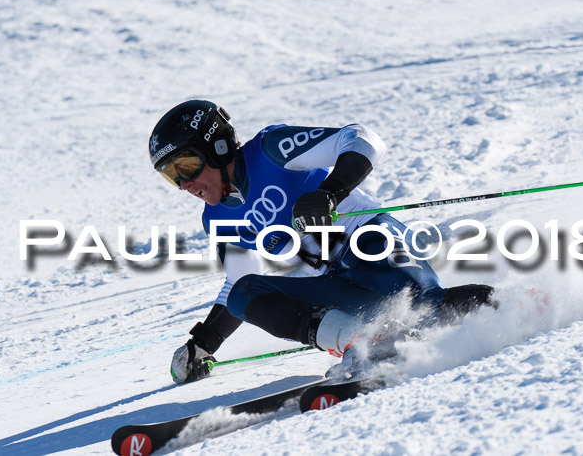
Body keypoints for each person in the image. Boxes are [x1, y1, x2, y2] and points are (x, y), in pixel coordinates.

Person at [149, 100, 495, 383]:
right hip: (338, 284)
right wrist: (204, 342)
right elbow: (239, 283)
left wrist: (330, 193)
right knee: (245, 295)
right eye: (171, 176)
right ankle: (362, 343)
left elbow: (363, 138)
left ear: (217, 147)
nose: (184, 184)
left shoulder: (271, 151)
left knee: (426, 312)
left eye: (187, 165)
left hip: (372, 240)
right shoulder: (218, 219)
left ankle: (512, 305)